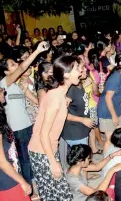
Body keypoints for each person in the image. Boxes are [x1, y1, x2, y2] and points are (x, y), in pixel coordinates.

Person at [28, 55, 82, 200]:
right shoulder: (55, 98)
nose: (81, 72)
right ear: (66, 74)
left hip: (48, 149)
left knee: (56, 194)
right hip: (42, 151)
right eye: (77, 69)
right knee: (59, 195)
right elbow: (43, 134)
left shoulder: (59, 95)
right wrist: (53, 162)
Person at [0, 42, 48, 186]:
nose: (16, 65)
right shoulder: (3, 83)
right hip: (17, 128)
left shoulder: (17, 85)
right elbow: (22, 68)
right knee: (24, 158)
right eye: (12, 65)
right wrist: (37, 51)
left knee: (31, 155)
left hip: (28, 124)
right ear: (6, 72)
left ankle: (36, 181)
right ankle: (28, 185)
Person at [0, 80, 31, 201]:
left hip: (10, 173)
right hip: (5, 180)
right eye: (0, 90)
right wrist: (22, 181)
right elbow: (0, 160)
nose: (3, 92)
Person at [97, 51, 121, 154]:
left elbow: (120, 95)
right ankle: (106, 165)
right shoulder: (116, 77)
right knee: (110, 140)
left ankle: (117, 161)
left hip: (116, 107)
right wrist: (114, 115)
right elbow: (108, 98)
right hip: (107, 110)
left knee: (120, 138)